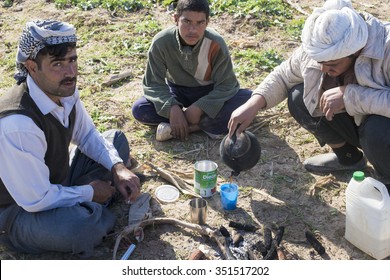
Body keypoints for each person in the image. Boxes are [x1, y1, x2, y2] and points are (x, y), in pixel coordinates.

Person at [0, 20, 141, 258]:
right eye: (58, 64)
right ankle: (93, 209)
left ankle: (93, 202)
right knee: (80, 229)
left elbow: (86, 135)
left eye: (72, 60)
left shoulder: (63, 89)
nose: (71, 73)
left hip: (57, 181)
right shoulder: (17, 125)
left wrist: (117, 168)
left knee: (115, 141)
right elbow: (37, 199)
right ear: (32, 66)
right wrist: (89, 192)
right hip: (19, 210)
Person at [228, 0, 390, 183]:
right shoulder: (318, 47)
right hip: (359, 125)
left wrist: (349, 96)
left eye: (332, 64)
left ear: (356, 51)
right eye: (321, 62)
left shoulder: (386, 46)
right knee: (298, 96)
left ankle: (387, 182)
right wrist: (253, 104)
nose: (323, 69)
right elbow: (283, 75)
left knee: (378, 129)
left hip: (381, 128)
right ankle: (348, 158)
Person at [132, 0, 252, 141]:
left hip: (208, 91)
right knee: (140, 109)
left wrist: (201, 107)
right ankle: (205, 124)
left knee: (248, 100)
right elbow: (153, 84)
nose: (193, 30)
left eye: (200, 23)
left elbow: (227, 85)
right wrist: (172, 108)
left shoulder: (216, 43)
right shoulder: (161, 42)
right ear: (176, 19)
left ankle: (186, 128)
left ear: (207, 22)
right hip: (177, 91)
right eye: (187, 22)